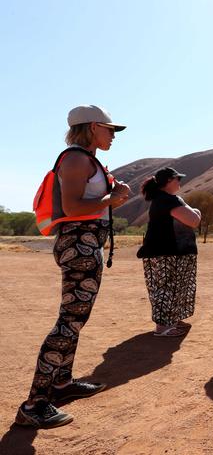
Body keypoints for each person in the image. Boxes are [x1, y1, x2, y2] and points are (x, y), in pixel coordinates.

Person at [16, 105, 130, 429]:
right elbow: (73, 206)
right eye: (110, 130)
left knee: (76, 318)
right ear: (93, 127)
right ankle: (34, 403)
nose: (113, 136)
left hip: (87, 244)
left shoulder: (85, 159)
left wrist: (109, 194)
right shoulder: (76, 158)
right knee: (69, 321)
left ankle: (62, 383)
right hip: (79, 245)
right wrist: (112, 199)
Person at [137, 167, 201, 337]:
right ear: (167, 182)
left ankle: (170, 320)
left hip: (169, 251)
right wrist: (196, 211)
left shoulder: (166, 199)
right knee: (167, 288)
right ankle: (163, 327)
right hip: (167, 252)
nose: (179, 182)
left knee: (174, 286)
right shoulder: (168, 200)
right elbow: (194, 220)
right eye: (177, 179)